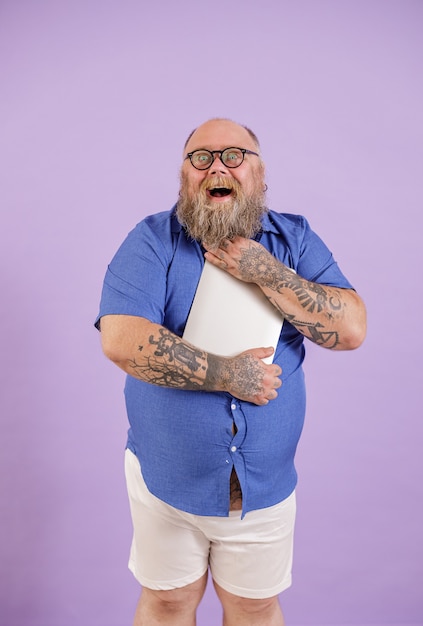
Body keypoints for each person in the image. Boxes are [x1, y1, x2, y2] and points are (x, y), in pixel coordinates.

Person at [95, 117, 367, 626]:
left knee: (254, 607)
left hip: (263, 487)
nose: (217, 165)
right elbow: (121, 339)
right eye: (201, 157)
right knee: (169, 602)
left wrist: (266, 271)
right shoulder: (152, 240)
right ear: (184, 176)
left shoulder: (296, 238)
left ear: (261, 175)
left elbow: (351, 329)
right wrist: (226, 374)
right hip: (165, 484)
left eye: (234, 155)